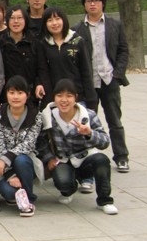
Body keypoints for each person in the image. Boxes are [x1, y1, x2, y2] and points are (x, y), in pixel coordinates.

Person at [73, 0, 130, 173]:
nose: (92, 4)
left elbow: (123, 50)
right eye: (88, 1)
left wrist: (117, 74)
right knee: (87, 122)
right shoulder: (77, 29)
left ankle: (121, 156)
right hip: (88, 84)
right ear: (84, 4)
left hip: (108, 80)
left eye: (96, 1)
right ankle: (89, 157)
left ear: (103, 3)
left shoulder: (115, 25)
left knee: (115, 121)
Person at [40, 79, 118, 215]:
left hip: (86, 157)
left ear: (75, 97)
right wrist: (49, 158)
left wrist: (89, 133)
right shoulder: (47, 117)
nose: (64, 100)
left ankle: (105, 201)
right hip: (63, 159)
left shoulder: (88, 115)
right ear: (54, 97)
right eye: (59, 95)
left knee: (102, 160)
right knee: (63, 183)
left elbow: (105, 142)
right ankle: (69, 189)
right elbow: (40, 141)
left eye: (69, 96)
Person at [0, 76, 43, 217]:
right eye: (12, 92)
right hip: (3, 166)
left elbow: (29, 144)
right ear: (6, 94)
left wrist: (7, 158)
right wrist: (10, 174)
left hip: (26, 161)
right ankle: (17, 192)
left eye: (20, 93)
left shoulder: (36, 116)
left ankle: (28, 200)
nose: (15, 97)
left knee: (21, 159)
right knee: (8, 192)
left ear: (28, 95)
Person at [39, 7, 97, 109]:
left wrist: (91, 98)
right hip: (55, 99)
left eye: (57, 19)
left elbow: (86, 71)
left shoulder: (78, 41)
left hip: (77, 97)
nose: (54, 23)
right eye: (50, 20)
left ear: (64, 20)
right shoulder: (43, 44)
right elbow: (43, 72)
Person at [0, 5, 47, 105]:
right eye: (12, 18)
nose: (16, 21)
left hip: (31, 95)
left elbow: (41, 68)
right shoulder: (1, 44)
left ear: (26, 20)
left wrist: (39, 84)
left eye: (20, 18)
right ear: (7, 21)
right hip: (8, 96)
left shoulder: (35, 43)